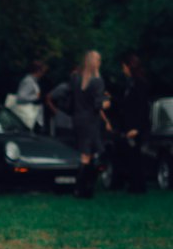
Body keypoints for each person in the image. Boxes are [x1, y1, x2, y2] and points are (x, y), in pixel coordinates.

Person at [47, 50, 109, 198]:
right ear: (96, 63)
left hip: (78, 119)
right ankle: (84, 189)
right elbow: (98, 105)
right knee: (90, 155)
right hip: (91, 121)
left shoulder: (76, 79)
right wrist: (108, 102)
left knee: (85, 154)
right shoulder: (97, 81)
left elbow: (63, 94)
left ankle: (81, 188)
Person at [115, 53, 150, 192]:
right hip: (128, 125)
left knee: (135, 156)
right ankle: (133, 184)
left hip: (135, 126)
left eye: (124, 66)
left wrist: (137, 128)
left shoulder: (140, 83)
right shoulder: (130, 84)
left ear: (129, 67)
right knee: (130, 155)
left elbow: (142, 107)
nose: (123, 69)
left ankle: (138, 186)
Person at [10, 60, 49, 130]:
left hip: (33, 116)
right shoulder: (28, 81)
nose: (43, 74)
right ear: (37, 71)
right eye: (43, 72)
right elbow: (20, 97)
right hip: (29, 117)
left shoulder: (33, 81)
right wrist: (37, 97)